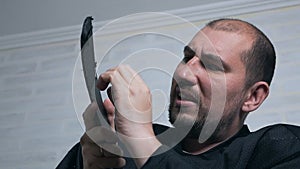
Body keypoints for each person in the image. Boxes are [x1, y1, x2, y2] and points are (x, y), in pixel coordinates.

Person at [56, 18, 300, 169]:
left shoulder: (281, 149)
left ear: (253, 97)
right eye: (186, 57)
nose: (183, 73)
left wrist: (141, 139)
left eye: (212, 65)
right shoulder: (118, 146)